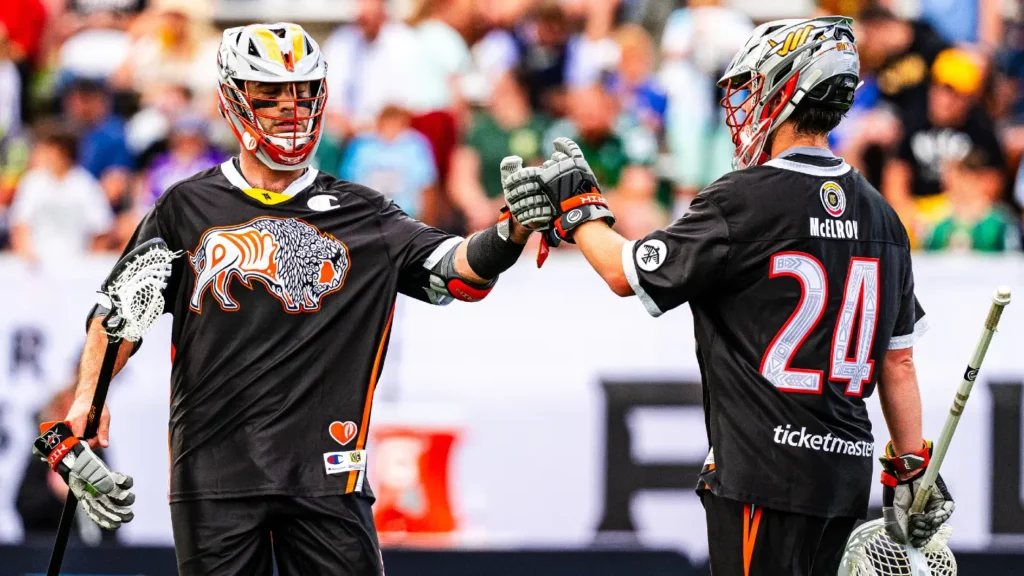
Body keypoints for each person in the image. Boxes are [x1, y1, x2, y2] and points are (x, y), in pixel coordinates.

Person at [47, 22, 535, 576]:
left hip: (329, 477)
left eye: (302, 91)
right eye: (271, 92)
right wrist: (88, 400)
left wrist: (511, 230)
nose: (290, 106)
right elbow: (118, 313)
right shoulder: (184, 208)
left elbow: (457, 274)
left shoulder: (366, 214)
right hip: (214, 477)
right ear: (234, 98)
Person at [502, 17, 955, 575]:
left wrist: (579, 210)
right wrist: (911, 468)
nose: (739, 104)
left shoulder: (744, 199)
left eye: (748, 86)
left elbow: (627, 272)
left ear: (785, 88)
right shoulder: (883, 216)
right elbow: (899, 359)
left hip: (762, 470)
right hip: (845, 476)